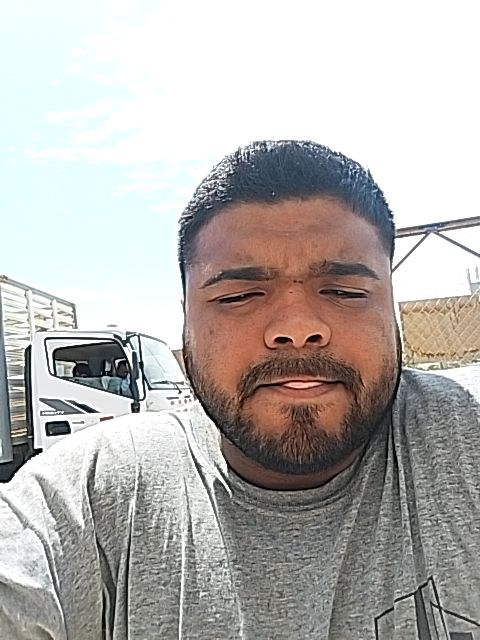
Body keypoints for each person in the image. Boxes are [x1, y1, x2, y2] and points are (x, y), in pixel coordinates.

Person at [1, 141, 480, 639]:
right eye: (240, 296)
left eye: (344, 291)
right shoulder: (88, 495)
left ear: (391, 305)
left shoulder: (466, 436)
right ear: (186, 321)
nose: (297, 327)